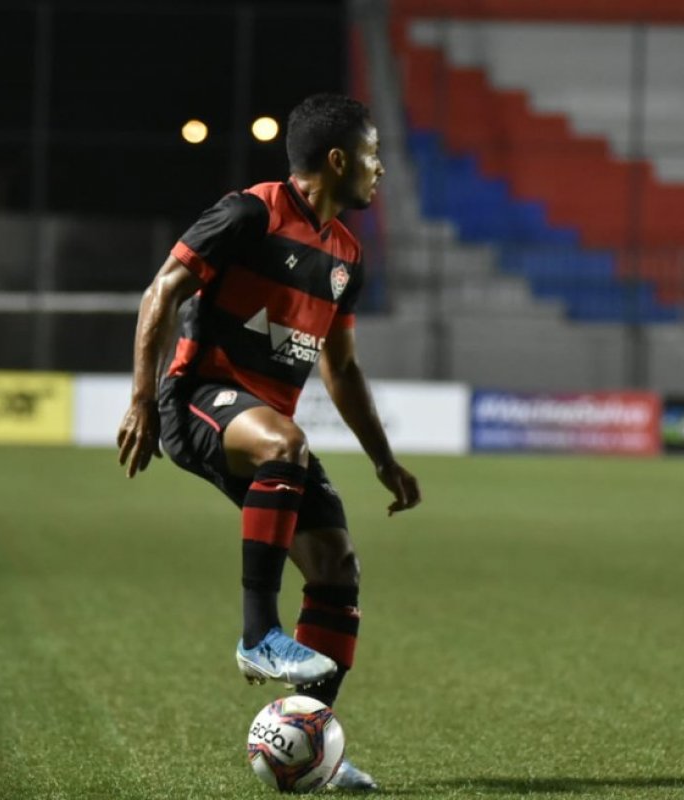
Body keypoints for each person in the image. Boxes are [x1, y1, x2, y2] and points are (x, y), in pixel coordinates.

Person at [118, 93, 421, 791]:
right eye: (373, 158)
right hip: (196, 400)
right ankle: (258, 634)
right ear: (338, 159)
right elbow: (160, 292)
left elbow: (339, 368)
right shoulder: (251, 212)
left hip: (260, 427)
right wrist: (140, 399)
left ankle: (310, 745)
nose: (380, 173)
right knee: (287, 443)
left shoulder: (346, 255)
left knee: (337, 568)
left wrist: (385, 461)